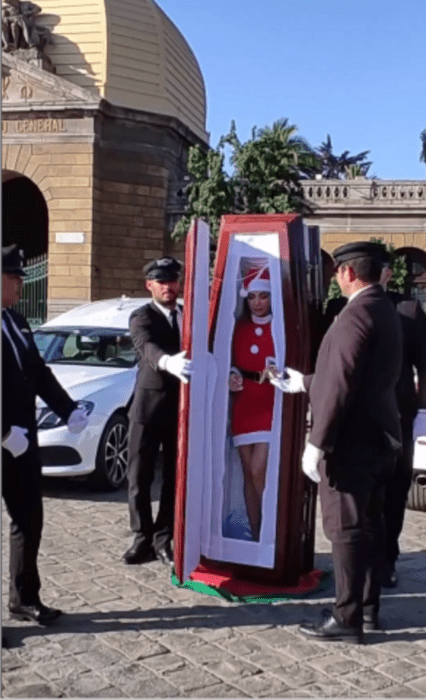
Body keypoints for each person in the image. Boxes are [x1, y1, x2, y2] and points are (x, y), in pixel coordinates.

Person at [272, 241, 403, 644]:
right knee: (370, 527)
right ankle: (366, 608)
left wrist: (317, 442)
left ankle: (346, 618)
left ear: (347, 273)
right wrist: (304, 382)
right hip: (380, 437)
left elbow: (342, 383)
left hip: (350, 442)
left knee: (345, 529)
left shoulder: (353, 316)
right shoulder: (384, 308)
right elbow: (349, 377)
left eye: (336, 272)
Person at [2, 244, 88, 626]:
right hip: (7, 437)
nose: (20, 284)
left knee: (29, 518)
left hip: (23, 443)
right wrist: (3, 433)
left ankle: (24, 597)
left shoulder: (17, 321)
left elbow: (37, 373)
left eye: (21, 277)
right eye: (14, 278)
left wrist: (67, 410)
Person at [124, 256, 192, 567]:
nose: (168, 287)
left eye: (172, 281)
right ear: (149, 285)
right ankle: (142, 538)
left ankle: (164, 537)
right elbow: (146, 347)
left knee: (174, 476)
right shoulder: (142, 316)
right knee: (139, 474)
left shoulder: (188, 317)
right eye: (161, 282)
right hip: (148, 409)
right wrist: (169, 362)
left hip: (180, 408)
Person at [379, 253, 426, 586]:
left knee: (395, 489)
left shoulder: (408, 311)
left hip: (398, 415)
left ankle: (387, 557)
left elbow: (425, 366)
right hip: (356, 418)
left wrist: (421, 410)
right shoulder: (340, 309)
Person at [229, 266, 275, 541]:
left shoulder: (280, 328)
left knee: (260, 469)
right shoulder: (239, 327)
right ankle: (257, 534)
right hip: (243, 401)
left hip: (269, 401)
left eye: (263, 297)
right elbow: (231, 363)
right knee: (248, 473)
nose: (258, 302)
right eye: (253, 297)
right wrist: (231, 377)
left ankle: (271, 529)